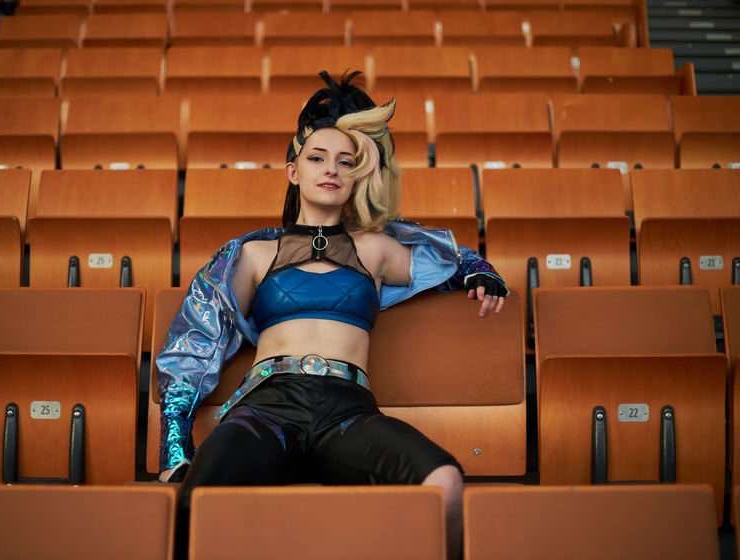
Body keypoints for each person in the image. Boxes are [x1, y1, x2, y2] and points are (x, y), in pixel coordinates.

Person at [156, 71, 508, 560]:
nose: (332, 170)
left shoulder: (377, 249)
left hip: (348, 412)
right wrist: (175, 446)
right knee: (195, 500)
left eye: (346, 162)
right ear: (293, 171)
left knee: (444, 481)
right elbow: (197, 341)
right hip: (267, 409)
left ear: (359, 175)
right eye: (317, 158)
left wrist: (481, 272)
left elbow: (453, 261)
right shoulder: (253, 254)